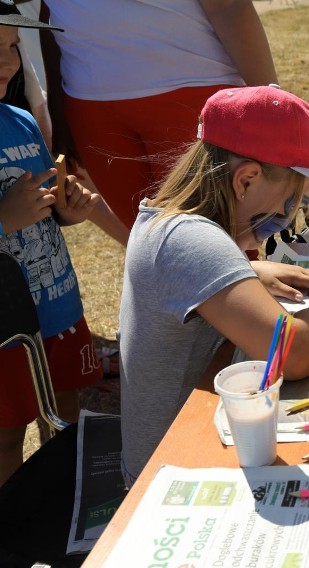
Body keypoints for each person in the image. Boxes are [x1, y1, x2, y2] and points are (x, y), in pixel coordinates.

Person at [119, 84, 309, 486]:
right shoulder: (191, 242)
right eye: (294, 205)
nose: (289, 220)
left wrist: (252, 272)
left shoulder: (167, 221)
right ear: (246, 180)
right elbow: (294, 350)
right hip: (171, 471)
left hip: (192, 438)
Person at [39, 0, 279, 246]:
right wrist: (57, 114)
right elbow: (50, 13)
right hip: (90, 106)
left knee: (223, 242)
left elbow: (228, 6)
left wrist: (273, 105)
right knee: (152, 243)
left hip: (195, 90)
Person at [0, 4, 103, 487]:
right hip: (8, 333)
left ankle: (64, 506)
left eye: (13, 48)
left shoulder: (20, 120)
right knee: (5, 436)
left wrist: (68, 208)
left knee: (65, 418)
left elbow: (47, 206)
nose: (8, 63)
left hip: (59, 309)